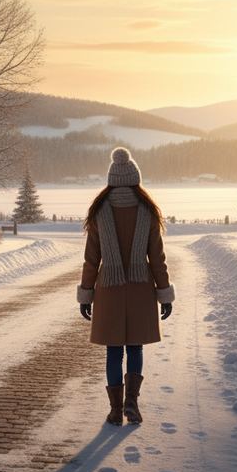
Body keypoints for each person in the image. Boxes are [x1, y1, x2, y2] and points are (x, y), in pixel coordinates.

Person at [77, 147, 175, 426]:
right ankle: (132, 404)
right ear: (135, 179)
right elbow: (157, 258)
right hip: (141, 287)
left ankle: (115, 410)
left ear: (111, 179)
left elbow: (91, 259)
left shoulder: (99, 211)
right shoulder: (147, 210)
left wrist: (86, 294)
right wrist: (164, 293)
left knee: (113, 350)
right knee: (134, 348)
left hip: (109, 288)